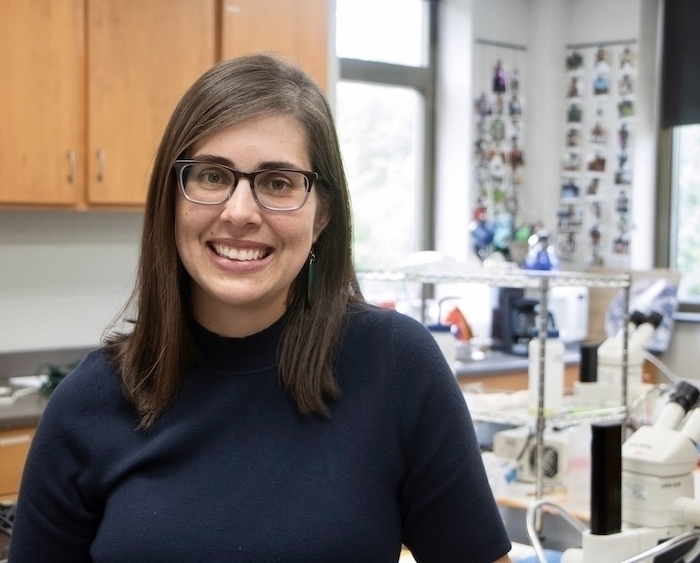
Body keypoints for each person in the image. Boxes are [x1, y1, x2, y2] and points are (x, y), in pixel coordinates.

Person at [9, 53, 512, 563]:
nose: (240, 213)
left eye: (277, 183)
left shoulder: (395, 367)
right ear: (172, 199)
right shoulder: (87, 405)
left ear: (321, 218)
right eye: (210, 176)